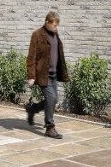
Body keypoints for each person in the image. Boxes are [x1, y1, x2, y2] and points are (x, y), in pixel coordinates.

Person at [25, 10, 68, 139]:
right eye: (54, 25)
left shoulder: (55, 35)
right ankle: (50, 127)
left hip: (54, 74)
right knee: (51, 99)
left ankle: (33, 109)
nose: (56, 27)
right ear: (47, 23)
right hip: (43, 74)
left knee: (53, 99)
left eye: (57, 25)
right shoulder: (37, 35)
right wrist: (31, 76)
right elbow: (31, 57)